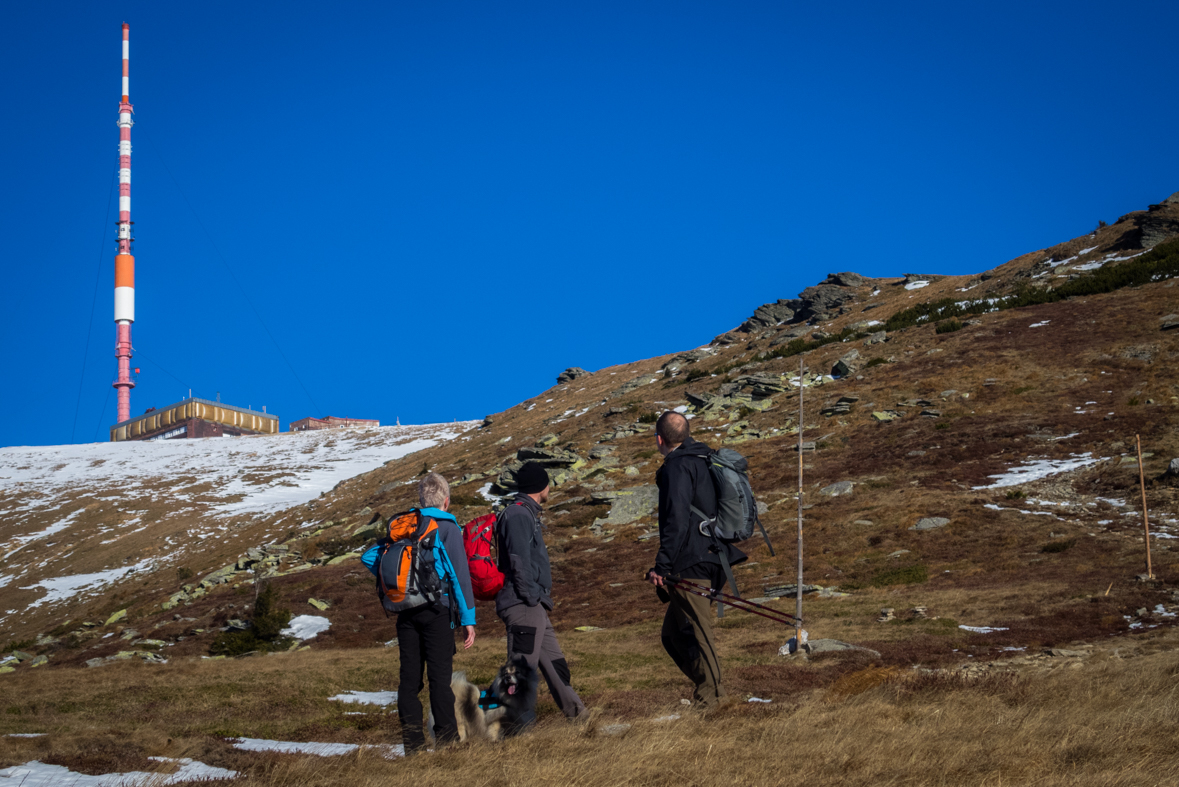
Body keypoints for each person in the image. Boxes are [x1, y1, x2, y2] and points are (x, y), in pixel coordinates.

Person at [645, 411, 745, 711]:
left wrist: (661, 565)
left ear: (660, 439)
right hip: (713, 557)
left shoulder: (678, 466)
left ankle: (714, 700)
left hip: (693, 561)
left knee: (700, 632)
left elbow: (675, 521)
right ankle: (709, 690)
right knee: (674, 634)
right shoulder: (704, 458)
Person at [495, 461, 587, 725]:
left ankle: (582, 720)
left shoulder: (525, 513)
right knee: (520, 673)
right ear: (540, 486)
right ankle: (514, 732)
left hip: (532, 606)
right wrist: (531, 596)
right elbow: (519, 560)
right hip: (524, 604)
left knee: (557, 667)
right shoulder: (519, 515)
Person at [396, 472, 477, 754]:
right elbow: (459, 576)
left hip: (405, 611)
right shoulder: (447, 528)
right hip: (436, 610)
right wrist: (468, 620)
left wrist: (401, 584)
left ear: (420, 499)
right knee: (440, 681)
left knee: (409, 682)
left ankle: (413, 747)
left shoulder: (404, 525)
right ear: (446, 500)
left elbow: (370, 557)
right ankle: (447, 744)